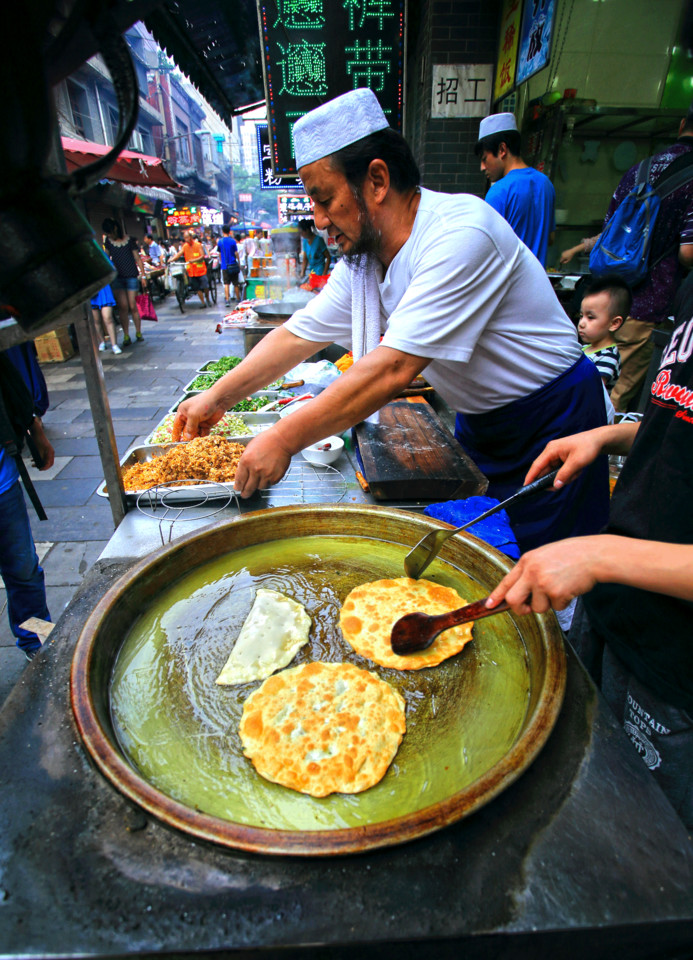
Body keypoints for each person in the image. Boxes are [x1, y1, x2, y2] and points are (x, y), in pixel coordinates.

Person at [172, 88, 609, 553]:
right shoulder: (366, 263)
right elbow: (298, 333)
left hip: (552, 422)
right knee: (483, 558)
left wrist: (283, 438)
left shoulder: (460, 234)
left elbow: (392, 368)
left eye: (324, 199)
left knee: (551, 575)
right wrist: (215, 396)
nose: (318, 220)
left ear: (376, 180)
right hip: (482, 427)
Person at [484, 269, 693, 829]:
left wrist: (599, 556)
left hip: (678, 669)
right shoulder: (690, 290)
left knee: (648, 842)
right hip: (616, 615)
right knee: (583, 788)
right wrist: (607, 435)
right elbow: (676, 419)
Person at [595, 106, 693, 412]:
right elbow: (688, 252)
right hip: (649, 305)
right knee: (616, 399)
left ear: (681, 125)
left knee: (593, 385)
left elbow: (607, 230)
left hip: (610, 297)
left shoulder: (639, 169)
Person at [0, 351, 55, 661]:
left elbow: (9, 379)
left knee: (22, 567)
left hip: (2, 483)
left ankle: (36, 641)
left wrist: (36, 428)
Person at [475, 112, 556, 267]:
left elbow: (485, 249)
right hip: (538, 286)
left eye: (485, 159)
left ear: (502, 150)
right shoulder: (546, 184)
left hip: (508, 288)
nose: (482, 167)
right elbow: (550, 238)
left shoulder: (499, 191)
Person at [578, 274, 630, 391]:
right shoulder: (584, 348)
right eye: (581, 316)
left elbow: (590, 390)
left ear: (614, 323)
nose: (581, 323)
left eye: (590, 317)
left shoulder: (608, 357)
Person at [102, 218, 147, 345]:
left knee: (133, 305)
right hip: (117, 278)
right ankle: (126, 335)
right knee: (123, 307)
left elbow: (137, 258)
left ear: (115, 229)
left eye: (110, 232)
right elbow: (106, 258)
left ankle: (138, 332)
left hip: (131, 276)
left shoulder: (130, 241)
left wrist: (143, 276)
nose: (109, 235)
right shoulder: (109, 242)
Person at [170, 230, 211, 308]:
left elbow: (202, 256)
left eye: (187, 237)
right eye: (185, 238)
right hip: (191, 272)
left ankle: (207, 298)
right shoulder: (185, 246)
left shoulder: (198, 245)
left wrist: (194, 260)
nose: (186, 239)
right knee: (197, 288)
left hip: (201, 271)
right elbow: (179, 254)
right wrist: (172, 259)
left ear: (191, 237)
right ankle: (203, 302)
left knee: (205, 286)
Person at [90, 280, 122, 355]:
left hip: (103, 286)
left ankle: (114, 344)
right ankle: (102, 341)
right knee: (96, 320)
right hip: (91, 288)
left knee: (108, 318)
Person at [217, 226, 241, 305]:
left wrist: (222, 261)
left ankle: (227, 300)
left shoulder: (220, 242)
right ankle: (238, 299)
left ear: (223, 231)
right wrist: (239, 262)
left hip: (225, 266)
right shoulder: (233, 241)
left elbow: (219, 253)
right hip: (233, 264)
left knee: (226, 283)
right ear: (229, 231)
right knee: (235, 283)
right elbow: (236, 253)